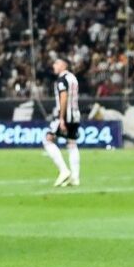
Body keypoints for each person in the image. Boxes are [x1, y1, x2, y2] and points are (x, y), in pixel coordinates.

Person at [43, 58, 81, 187]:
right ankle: (75, 177)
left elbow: (63, 97)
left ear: (63, 65)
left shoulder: (62, 80)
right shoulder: (73, 78)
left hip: (66, 115)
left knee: (48, 139)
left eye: (56, 63)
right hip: (75, 114)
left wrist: (61, 118)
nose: (54, 65)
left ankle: (64, 170)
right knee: (71, 144)